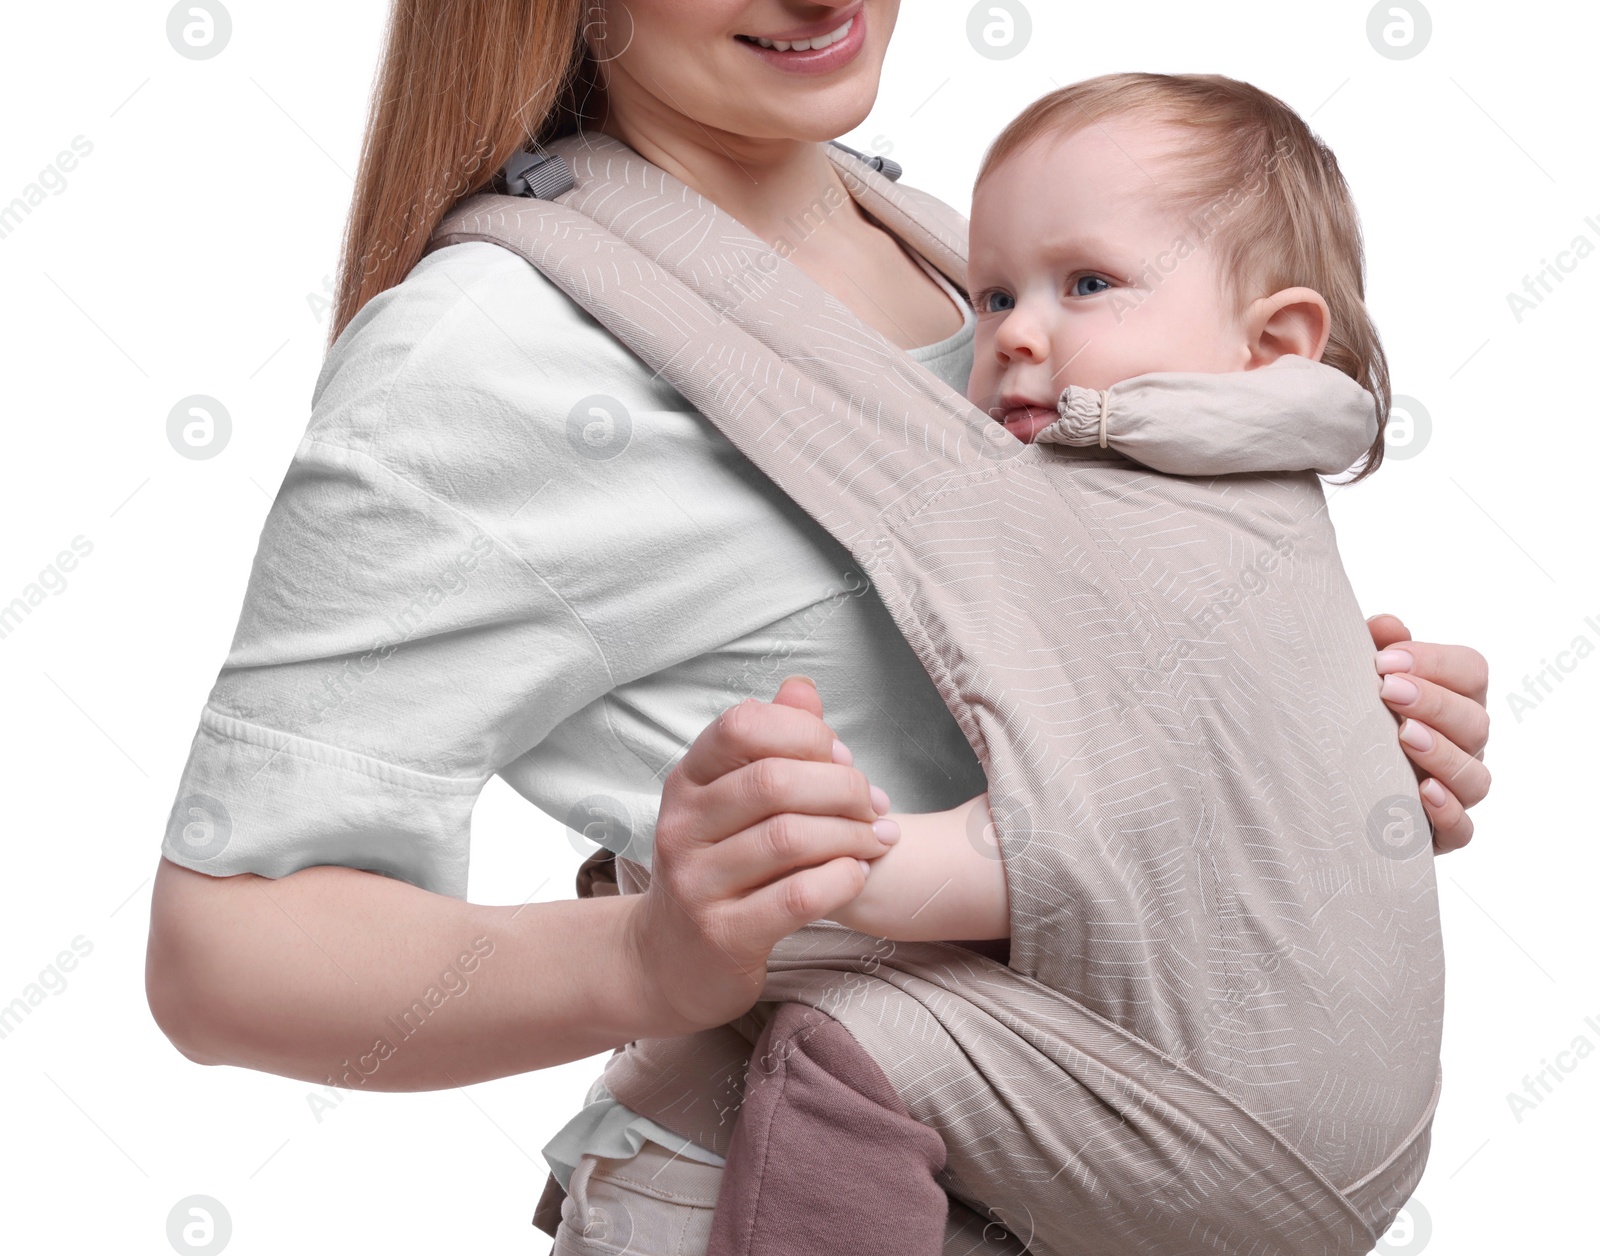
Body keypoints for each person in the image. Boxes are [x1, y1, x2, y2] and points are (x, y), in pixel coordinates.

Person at [143, 4, 1492, 1252]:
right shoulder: (491, 354)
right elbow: (223, 958)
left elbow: (1087, 717)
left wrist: (1320, 759)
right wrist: (654, 954)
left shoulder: (960, 248)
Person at [672, 71, 1450, 1255]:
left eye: (1086, 284)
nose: (1014, 333)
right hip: (1339, 1125)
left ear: (1272, 342)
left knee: (847, 1045)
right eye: (990, 296)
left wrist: (832, 859)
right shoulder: (1256, 504)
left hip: (1238, 1143)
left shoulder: (1127, 532)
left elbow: (1051, 851)